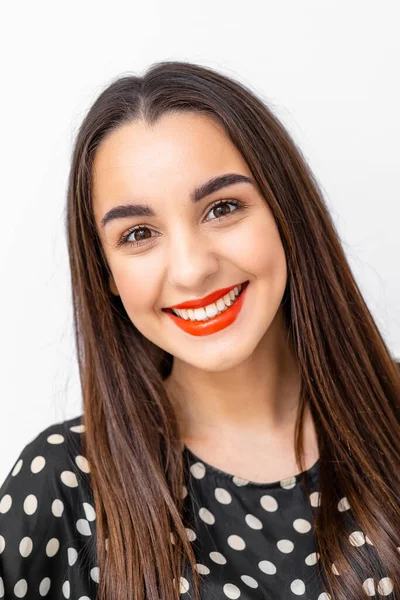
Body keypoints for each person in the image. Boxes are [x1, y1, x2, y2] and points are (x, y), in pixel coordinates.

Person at [0, 61, 399, 600]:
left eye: (223, 207)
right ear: (107, 273)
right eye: (139, 233)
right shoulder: (63, 484)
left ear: (285, 212)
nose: (191, 269)